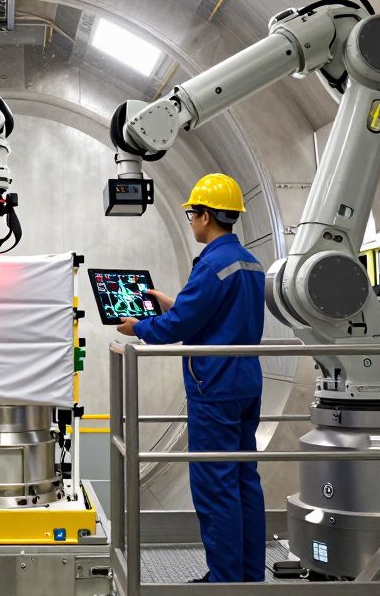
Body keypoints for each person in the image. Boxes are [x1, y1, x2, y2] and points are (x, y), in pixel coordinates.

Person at [116, 173, 265, 583]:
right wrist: (173, 301)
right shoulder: (249, 262)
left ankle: (224, 581)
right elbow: (213, 313)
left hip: (214, 387)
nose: (191, 222)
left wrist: (138, 328)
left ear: (204, 215)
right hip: (246, 383)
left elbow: (177, 326)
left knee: (215, 486)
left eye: (191, 214)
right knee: (242, 480)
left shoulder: (213, 263)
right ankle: (249, 577)